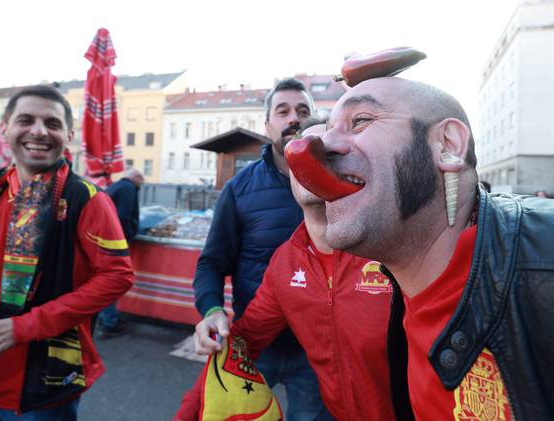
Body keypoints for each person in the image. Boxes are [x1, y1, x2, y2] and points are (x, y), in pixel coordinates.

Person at [298, 76, 554, 420]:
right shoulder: (404, 291)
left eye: (360, 120)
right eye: (328, 129)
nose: (321, 147)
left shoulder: (543, 262)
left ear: (447, 144)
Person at [0, 85, 134, 419]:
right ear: (4, 129)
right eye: (26, 120)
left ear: (68, 135)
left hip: (41, 381)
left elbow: (117, 277)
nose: (39, 131)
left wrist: (21, 327)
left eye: (52, 124)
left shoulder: (88, 198)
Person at [177, 121, 395, 420]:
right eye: (299, 154)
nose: (311, 162)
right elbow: (244, 340)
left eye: (326, 154)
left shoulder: (393, 249)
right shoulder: (286, 263)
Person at [192, 78, 333, 420]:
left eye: (303, 111)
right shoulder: (239, 189)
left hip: (318, 349)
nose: (293, 119)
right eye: (282, 111)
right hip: (256, 342)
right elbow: (211, 263)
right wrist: (211, 311)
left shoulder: (338, 184)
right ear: (267, 124)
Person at [96, 168, 144, 337]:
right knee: (112, 279)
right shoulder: (128, 188)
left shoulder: (115, 186)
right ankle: (109, 322)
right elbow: (124, 215)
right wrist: (129, 235)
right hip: (115, 242)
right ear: (136, 178)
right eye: (141, 181)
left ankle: (104, 318)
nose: (141, 185)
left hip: (101, 240)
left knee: (102, 279)